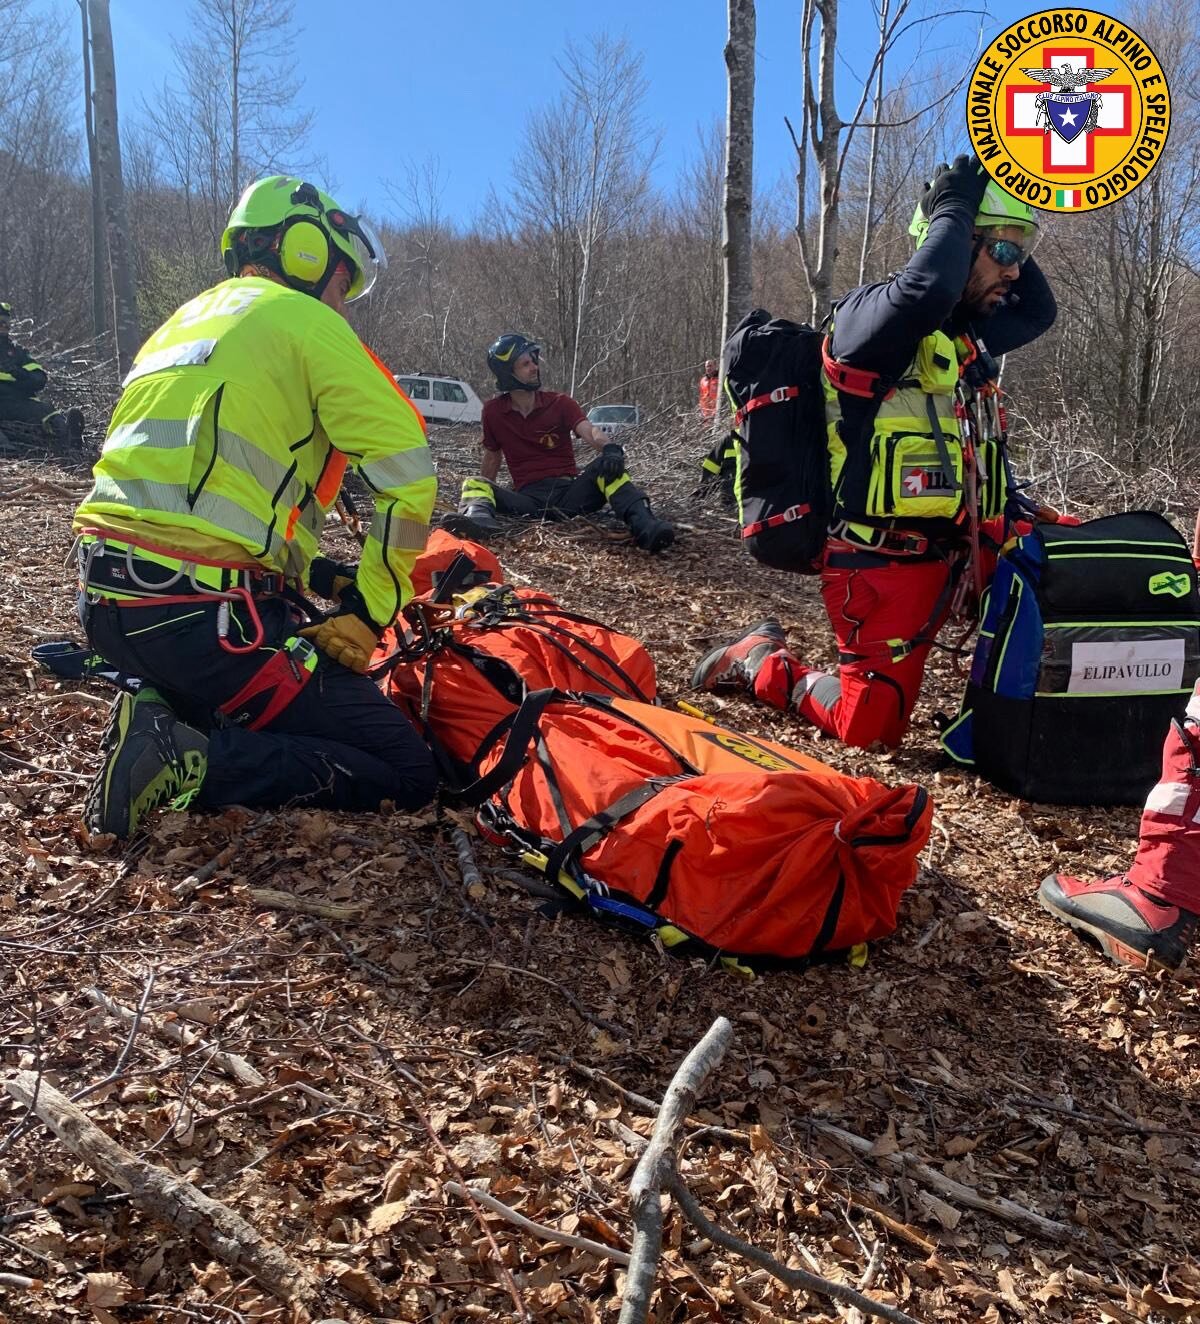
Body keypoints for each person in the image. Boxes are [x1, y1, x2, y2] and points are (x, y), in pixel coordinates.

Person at [72, 175, 438, 839]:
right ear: (305, 251)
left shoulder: (181, 323)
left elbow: (210, 500)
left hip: (105, 607)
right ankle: (191, 760)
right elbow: (409, 478)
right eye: (340, 283)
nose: (342, 305)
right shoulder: (304, 321)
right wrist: (367, 610)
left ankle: (162, 705)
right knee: (405, 767)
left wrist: (320, 576)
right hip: (201, 621)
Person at [693, 155, 1057, 750]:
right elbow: (926, 288)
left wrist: (1005, 219)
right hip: (883, 565)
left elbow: (1040, 312)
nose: (1015, 274)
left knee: (1075, 567)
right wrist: (955, 205)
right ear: (956, 241)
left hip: (968, 550)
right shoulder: (869, 320)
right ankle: (762, 662)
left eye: (1021, 255)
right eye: (1004, 255)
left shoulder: (965, 335)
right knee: (872, 729)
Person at [442, 334, 674, 553]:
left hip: (570, 496)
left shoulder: (560, 403)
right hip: (528, 501)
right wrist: (485, 495)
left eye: (533, 361)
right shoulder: (493, 412)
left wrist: (609, 449)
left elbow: (589, 430)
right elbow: (492, 457)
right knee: (474, 483)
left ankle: (646, 525)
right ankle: (478, 525)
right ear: (507, 373)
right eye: (525, 364)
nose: (535, 367)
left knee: (608, 468)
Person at [0, 301, 84, 446]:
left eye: (6, 322)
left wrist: (19, 373)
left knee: (46, 411)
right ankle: (6, 447)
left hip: (19, 402)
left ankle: (70, 439)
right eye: (0, 321)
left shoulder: (18, 353)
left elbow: (40, 379)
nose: (4, 326)